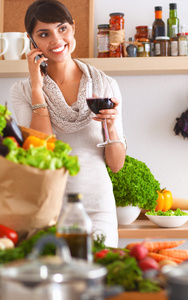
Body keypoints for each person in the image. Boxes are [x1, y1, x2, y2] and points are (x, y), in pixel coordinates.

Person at [10, 0, 126, 247]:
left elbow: (116, 165)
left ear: (73, 28)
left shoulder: (105, 86)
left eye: (62, 28)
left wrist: (112, 125)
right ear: (32, 41)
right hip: (47, 212)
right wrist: (36, 87)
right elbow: (43, 149)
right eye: (44, 34)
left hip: (98, 209)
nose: (56, 40)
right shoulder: (21, 91)